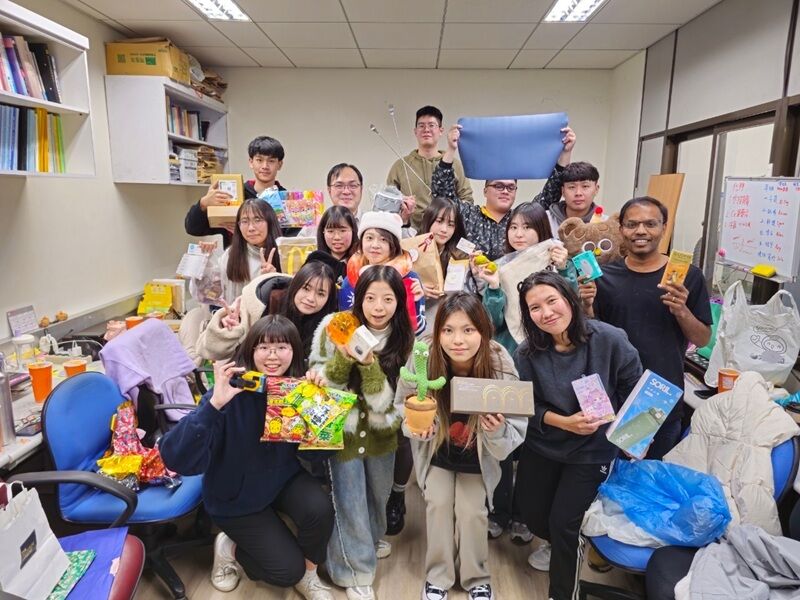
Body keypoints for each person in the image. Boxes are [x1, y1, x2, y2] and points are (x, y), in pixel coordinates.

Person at [160, 315, 335, 599]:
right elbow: (175, 458)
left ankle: (309, 575)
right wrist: (214, 404)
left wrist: (319, 406)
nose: (273, 356)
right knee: (286, 572)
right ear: (250, 351)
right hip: (234, 497)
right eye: (263, 347)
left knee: (320, 509)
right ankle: (229, 548)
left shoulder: (295, 389)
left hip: (280, 479)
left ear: (295, 352)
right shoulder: (231, 391)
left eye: (282, 347)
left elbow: (319, 458)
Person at [513, 271, 642, 600]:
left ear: (569, 299)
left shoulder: (610, 340)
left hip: (593, 450)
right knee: (533, 515)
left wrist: (630, 434)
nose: (546, 312)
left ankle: (562, 591)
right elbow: (524, 404)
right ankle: (562, 544)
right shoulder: (527, 353)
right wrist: (564, 422)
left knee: (564, 522)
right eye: (535, 307)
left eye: (552, 301)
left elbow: (636, 389)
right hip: (544, 444)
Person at [399, 292, 526, 600]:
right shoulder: (423, 357)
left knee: (472, 512)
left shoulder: (499, 362)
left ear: (483, 330)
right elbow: (402, 407)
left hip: (479, 457)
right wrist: (418, 426)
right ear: (437, 331)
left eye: (468, 330)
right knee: (438, 503)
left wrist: (496, 430)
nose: (458, 340)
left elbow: (514, 430)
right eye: (448, 330)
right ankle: (438, 576)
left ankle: (477, 577)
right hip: (437, 452)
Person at [308, 266, 415, 600]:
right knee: (349, 499)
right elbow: (324, 386)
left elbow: (390, 407)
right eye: (370, 298)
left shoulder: (406, 341)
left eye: (387, 299)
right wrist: (342, 361)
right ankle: (354, 571)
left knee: (377, 496)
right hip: (344, 430)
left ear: (399, 302)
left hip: (383, 434)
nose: (378, 307)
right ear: (358, 299)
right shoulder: (336, 327)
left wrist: (369, 367)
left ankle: (366, 541)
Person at [590, 196, 712, 459]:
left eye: (650, 224)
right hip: (612, 396)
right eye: (632, 224)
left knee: (649, 477)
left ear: (664, 228)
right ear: (621, 229)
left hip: (658, 399)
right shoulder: (604, 276)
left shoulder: (687, 277)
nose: (641, 231)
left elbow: (702, 339)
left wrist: (681, 310)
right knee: (605, 476)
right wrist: (584, 303)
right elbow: (591, 335)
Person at [431, 125, 575, 260]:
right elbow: (442, 194)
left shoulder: (521, 219)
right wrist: (451, 149)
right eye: (499, 186)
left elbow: (551, 193)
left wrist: (565, 152)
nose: (505, 191)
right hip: (470, 278)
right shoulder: (468, 215)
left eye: (511, 187)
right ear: (485, 191)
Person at [476, 202, 572, 356]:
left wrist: (563, 268)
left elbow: (572, 305)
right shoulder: (502, 268)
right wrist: (494, 286)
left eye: (527, 227)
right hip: (513, 350)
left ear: (541, 228)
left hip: (554, 346)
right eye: (513, 227)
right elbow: (492, 322)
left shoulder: (558, 259)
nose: (518, 234)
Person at [197, 260, 338, 363]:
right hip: (247, 379)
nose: (311, 298)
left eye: (321, 294)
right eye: (306, 288)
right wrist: (228, 331)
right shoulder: (259, 302)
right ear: (295, 285)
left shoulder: (328, 325)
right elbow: (208, 351)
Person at [184, 136, 287, 246]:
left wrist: (244, 233)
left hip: (273, 257)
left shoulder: (286, 200)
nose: (265, 166)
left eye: (271, 161)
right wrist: (204, 203)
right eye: (259, 160)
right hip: (236, 256)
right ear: (251, 162)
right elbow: (193, 228)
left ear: (279, 164)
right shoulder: (234, 194)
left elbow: (290, 241)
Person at [339, 211, 426, 335]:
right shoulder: (350, 279)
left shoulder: (410, 279)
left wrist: (415, 304)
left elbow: (418, 331)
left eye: (383, 239)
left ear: (394, 245)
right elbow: (344, 326)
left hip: (395, 345)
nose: (375, 245)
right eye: (369, 238)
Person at [218, 199, 283, 304]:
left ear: (270, 222)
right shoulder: (230, 254)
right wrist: (204, 259)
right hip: (234, 314)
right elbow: (212, 293)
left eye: (257, 220)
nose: (251, 228)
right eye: (244, 221)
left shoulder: (284, 255)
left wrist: (273, 280)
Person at [540, 161, 604, 232]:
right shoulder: (544, 222)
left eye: (585, 186)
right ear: (563, 191)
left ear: (596, 189)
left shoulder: (606, 225)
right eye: (572, 187)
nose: (578, 193)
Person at [316, 205, 359, 281]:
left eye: (343, 231)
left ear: (353, 231)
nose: (337, 237)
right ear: (323, 232)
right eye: (330, 231)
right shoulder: (315, 261)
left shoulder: (362, 262)